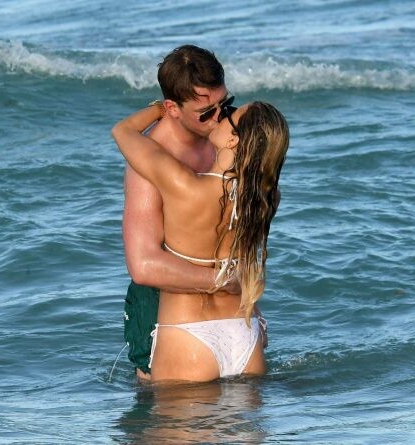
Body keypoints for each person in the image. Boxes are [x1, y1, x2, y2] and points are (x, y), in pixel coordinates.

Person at [112, 95, 289, 382]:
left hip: (189, 335)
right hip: (245, 333)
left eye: (229, 114)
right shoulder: (265, 201)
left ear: (233, 139)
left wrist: (164, 108)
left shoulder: (184, 185)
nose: (220, 116)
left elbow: (122, 132)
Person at [122, 45, 244, 381]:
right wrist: (224, 282)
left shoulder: (224, 136)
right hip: (162, 311)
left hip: (225, 309)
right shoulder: (150, 160)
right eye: (205, 113)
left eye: (225, 104)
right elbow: (144, 265)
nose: (219, 118)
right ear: (172, 109)